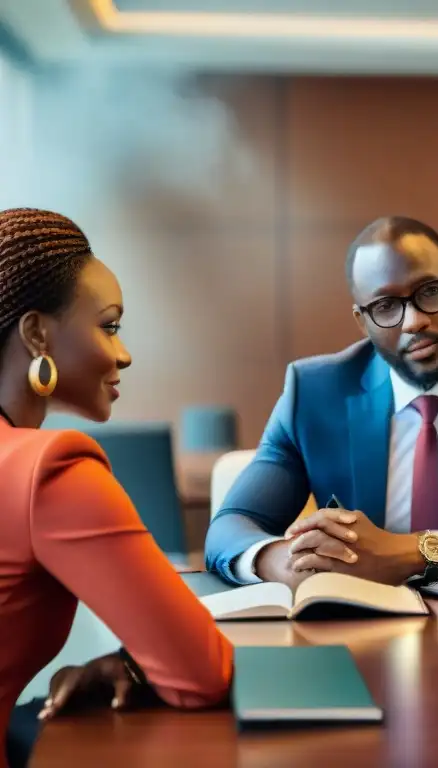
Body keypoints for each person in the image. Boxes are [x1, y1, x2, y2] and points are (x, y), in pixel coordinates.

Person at [205, 216, 438, 588]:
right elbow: (231, 525)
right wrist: (282, 561)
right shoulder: (315, 392)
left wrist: (413, 553)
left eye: (431, 291)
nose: (414, 321)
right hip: (359, 617)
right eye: (386, 306)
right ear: (362, 321)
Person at [0, 209, 232, 768]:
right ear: (37, 335)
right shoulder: (48, 470)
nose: (123, 353)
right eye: (109, 326)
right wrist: (130, 666)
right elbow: (199, 673)